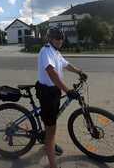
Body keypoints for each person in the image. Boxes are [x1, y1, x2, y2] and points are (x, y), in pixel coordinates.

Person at [35, 27, 87, 168]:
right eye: (57, 38)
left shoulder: (55, 52)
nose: (60, 41)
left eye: (61, 39)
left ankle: (47, 141)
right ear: (50, 39)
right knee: (52, 130)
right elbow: (51, 73)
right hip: (47, 93)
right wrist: (67, 90)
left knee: (50, 123)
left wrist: (79, 72)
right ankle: (53, 163)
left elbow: (66, 64)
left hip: (54, 92)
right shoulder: (46, 51)